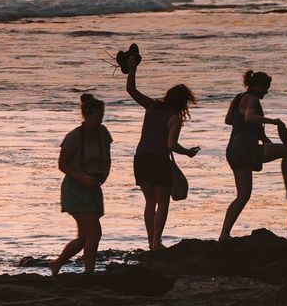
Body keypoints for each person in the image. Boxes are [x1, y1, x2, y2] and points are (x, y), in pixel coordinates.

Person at [125, 57, 200, 251]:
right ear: (183, 103)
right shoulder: (174, 118)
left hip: (140, 158)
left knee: (150, 202)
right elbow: (172, 145)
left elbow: (131, 90)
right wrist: (188, 152)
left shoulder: (152, 106)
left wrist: (132, 68)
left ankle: (151, 242)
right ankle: (156, 242)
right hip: (158, 160)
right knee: (163, 203)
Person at [221, 70, 287, 242]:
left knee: (242, 196)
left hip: (233, 149)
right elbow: (250, 118)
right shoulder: (252, 99)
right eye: (266, 88)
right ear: (258, 86)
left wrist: (264, 138)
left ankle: (224, 235)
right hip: (245, 147)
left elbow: (229, 120)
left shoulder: (238, 98)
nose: (267, 92)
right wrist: (274, 122)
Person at [50, 93, 112, 275]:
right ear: (87, 116)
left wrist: (104, 174)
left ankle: (57, 263)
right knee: (94, 233)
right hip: (75, 188)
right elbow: (62, 165)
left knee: (85, 236)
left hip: (93, 186)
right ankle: (89, 272)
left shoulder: (103, 133)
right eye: (97, 117)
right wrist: (82, 178)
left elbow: (107, 158)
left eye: (102, 116)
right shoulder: (74, 136)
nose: (100, 120)